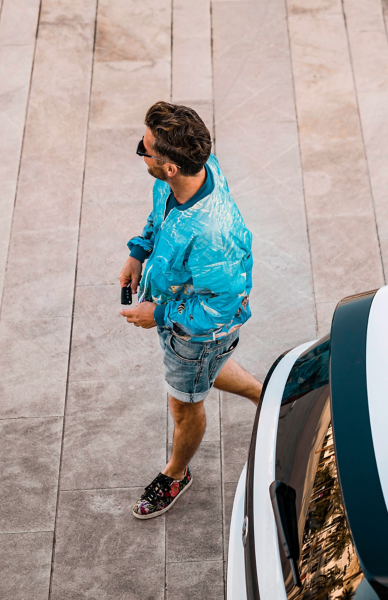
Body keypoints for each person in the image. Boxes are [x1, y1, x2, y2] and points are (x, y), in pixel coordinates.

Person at [119, 101, 262, 520]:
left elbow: (223, 307)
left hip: (196, 333)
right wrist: (139, 251)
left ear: (169, 167)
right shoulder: (186, 174)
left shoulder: (214, 234)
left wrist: (160, 315)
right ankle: (268, 394)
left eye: (144, 149)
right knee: (203, 373)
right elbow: (159, 215)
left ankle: (176, 474)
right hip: (181, 318)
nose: (140, 153)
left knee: (184, 404)